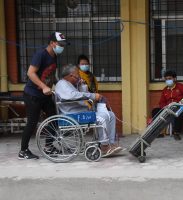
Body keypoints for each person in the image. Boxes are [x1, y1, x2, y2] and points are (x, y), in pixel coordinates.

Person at [18, 32, 67, 160]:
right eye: (60, 44)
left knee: (53, 119)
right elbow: (31, 73)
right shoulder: (41, 55)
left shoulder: (54, 56)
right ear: (52, 43)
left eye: (63, 44)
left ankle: (49, 147)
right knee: (32, 123)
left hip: (45, 96)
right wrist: (44, 87)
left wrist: (62, 84)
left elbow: (50, 75)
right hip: (32, 94)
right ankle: (23, 151)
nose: (62, 46)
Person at [55, 64, 122, 157]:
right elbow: (72, 96)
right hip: (72, 114)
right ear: (70, 76)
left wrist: (82, 85)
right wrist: (93, 96)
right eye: (77, 75)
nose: (79, 77)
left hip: (81, 112)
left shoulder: (72, 84)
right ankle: (104, 146)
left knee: (111, 115)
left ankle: (111, 143)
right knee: (101, 118)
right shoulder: (62, 84)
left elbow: (82, 94)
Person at [152, 70, 183, 140]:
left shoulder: (181, 87)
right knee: (155, 111)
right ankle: (158, 132)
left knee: (179, 113)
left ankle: (176, 133)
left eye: (169, 79)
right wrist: (164, 107)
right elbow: (161, 102)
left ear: (174, 79)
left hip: (182, 108)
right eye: (166, 79)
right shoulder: (165, 90)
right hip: (169, 109)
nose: (167, 81)